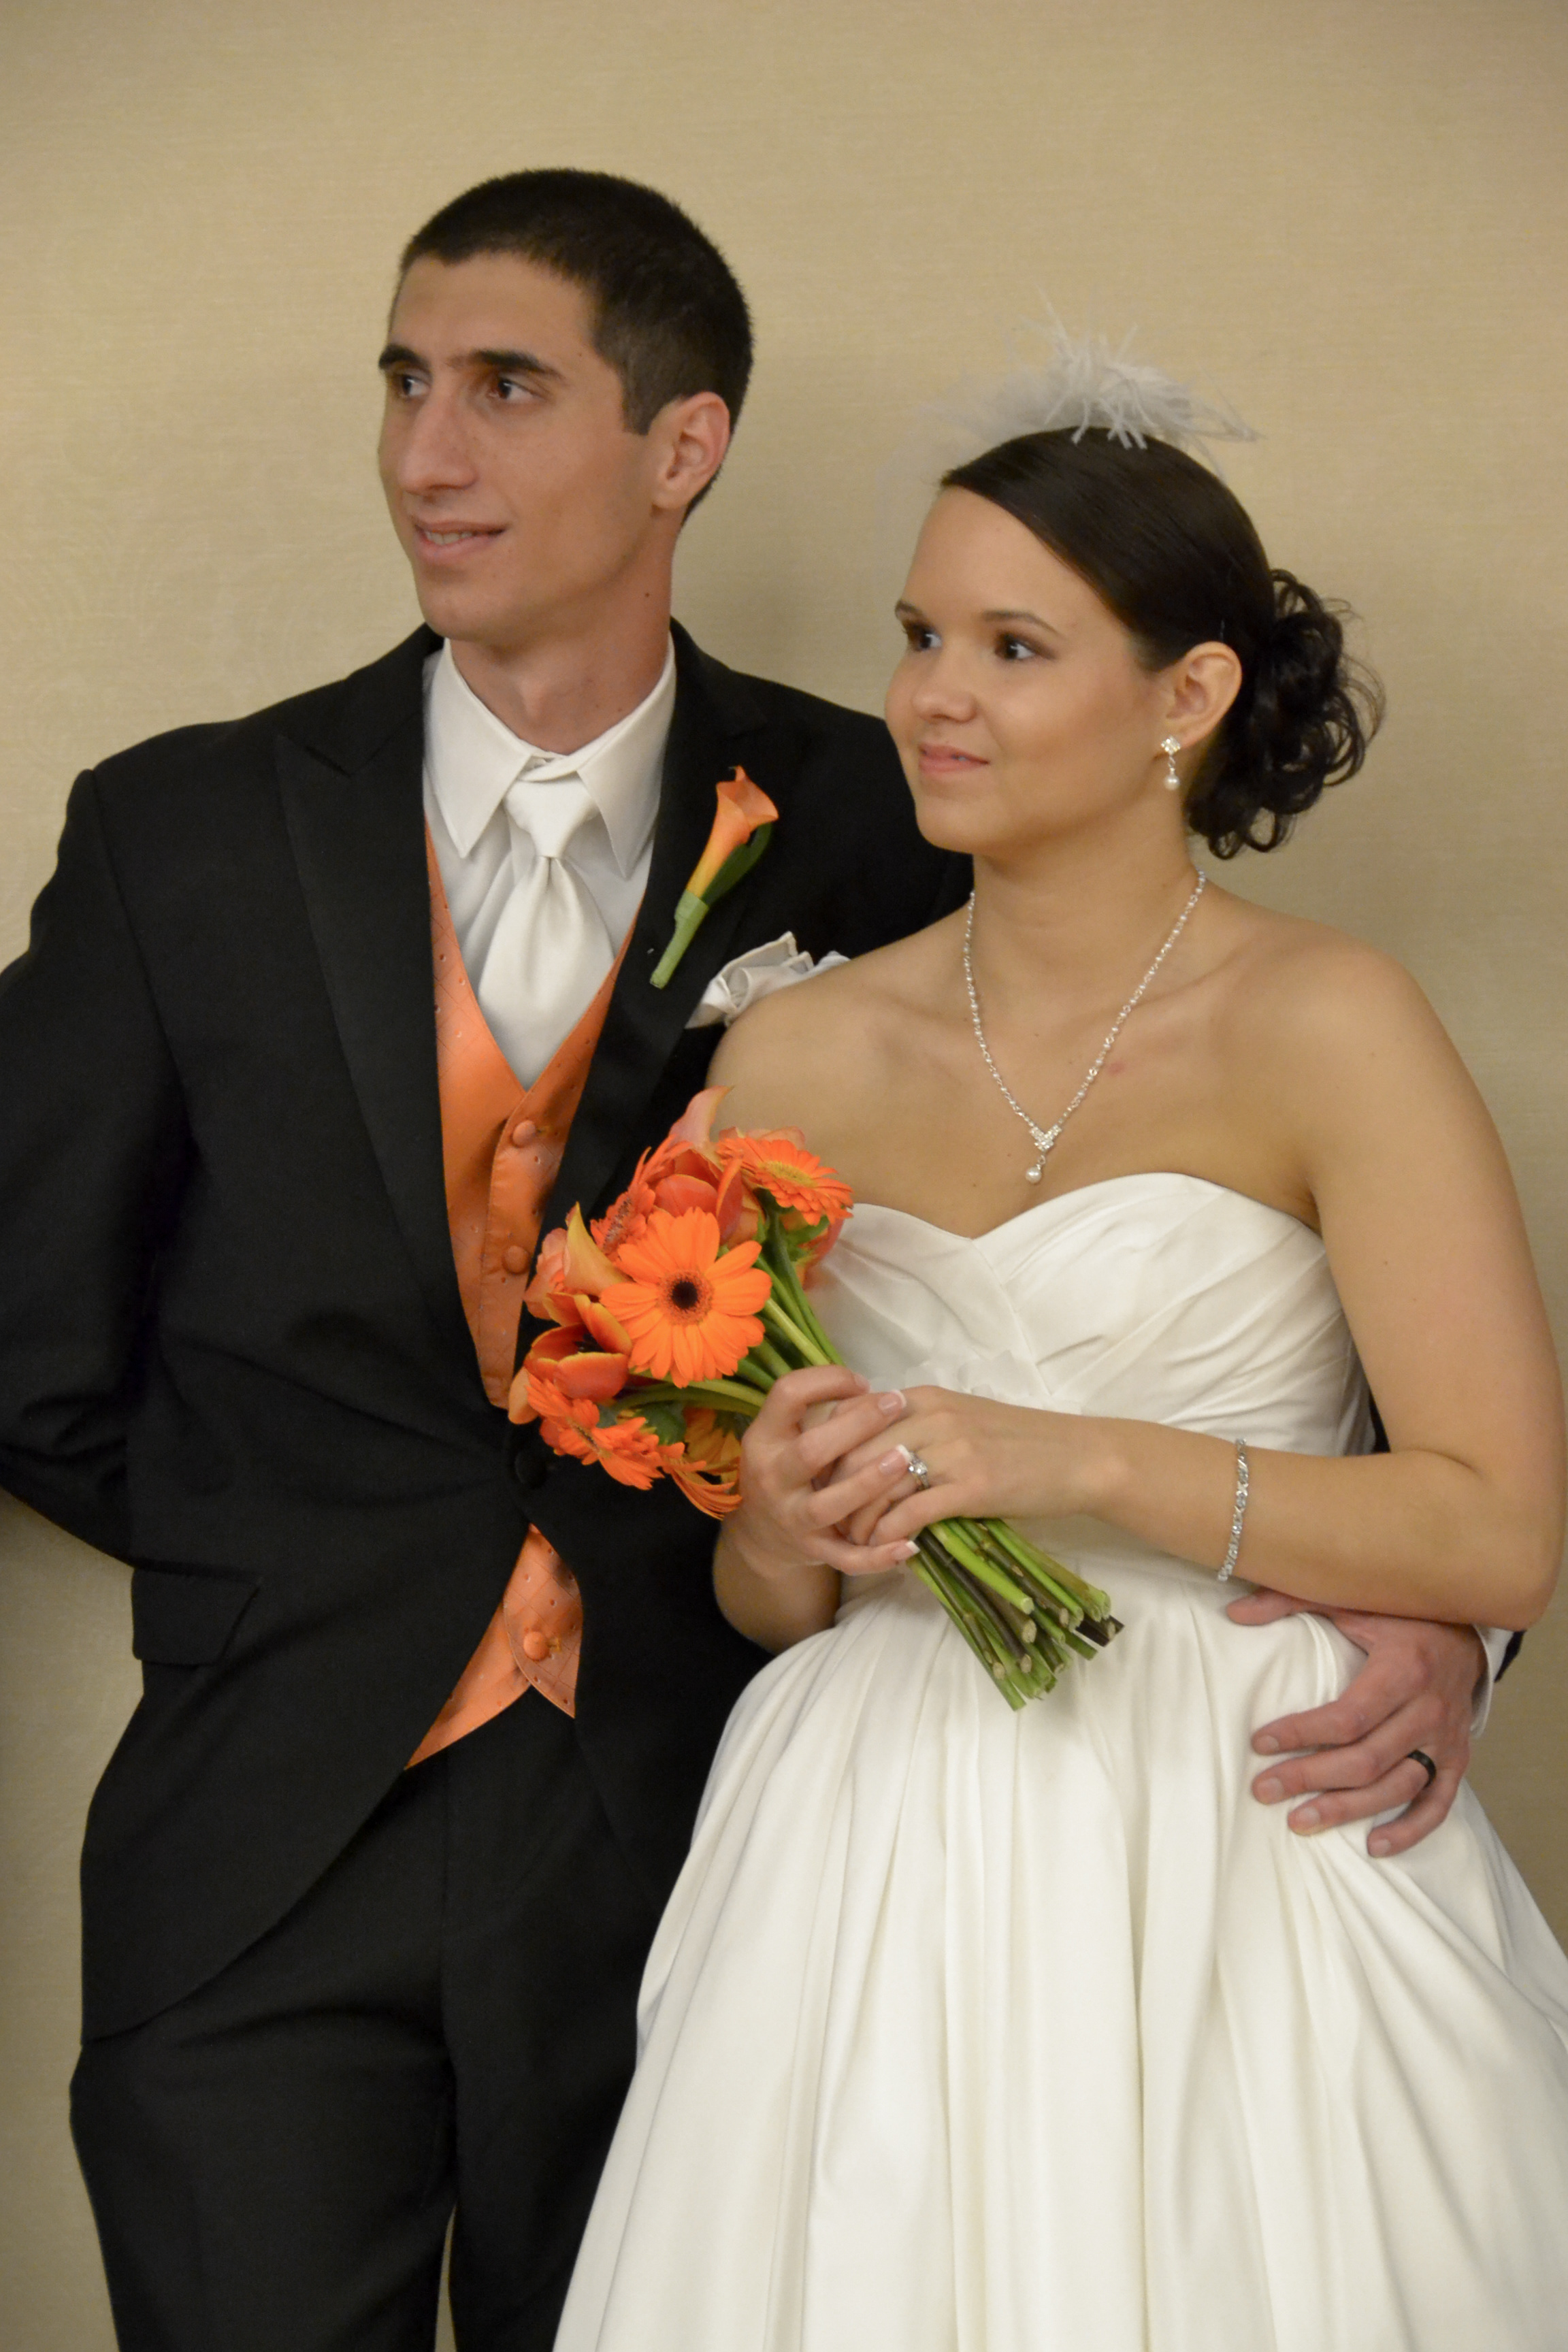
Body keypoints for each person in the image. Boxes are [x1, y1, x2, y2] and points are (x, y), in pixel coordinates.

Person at [0, 180, 1500, 2347]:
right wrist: (285, 1552)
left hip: (709, 1835)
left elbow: (1284, 1290)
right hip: (271, 1838)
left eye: (508, 390)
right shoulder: (178, 831)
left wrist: (1423, 1626)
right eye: (406, 386)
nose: (430, 453)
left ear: (682, 447)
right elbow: (31, 1323)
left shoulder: (909, 805)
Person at [553, 372, 1568, 2351]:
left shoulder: (1332, 1022)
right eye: (923, 636)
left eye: (1015, 648)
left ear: (1183, 696)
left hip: (1238, 1817)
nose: (936, 693)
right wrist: (781, 1520)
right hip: (868, 1831)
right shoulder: (794, 1055)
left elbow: (1499, 1530)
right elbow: (773, 1600)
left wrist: (1078, 1463)